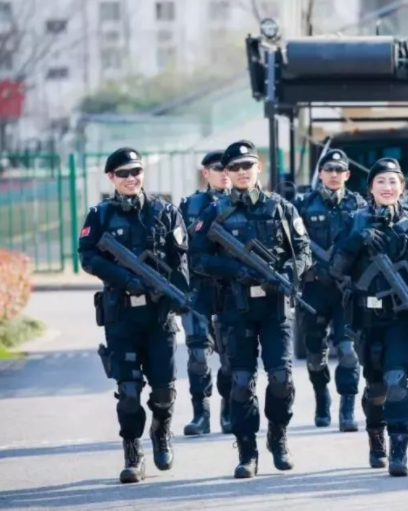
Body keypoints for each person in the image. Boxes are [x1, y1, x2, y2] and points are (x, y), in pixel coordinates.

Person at [190, 140, 312, 478]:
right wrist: (234, 270)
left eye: (248, 165)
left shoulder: (280, 208)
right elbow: (196, 258)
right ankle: (247, 451)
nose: (242, 172)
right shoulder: (214, 212)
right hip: (235, 307)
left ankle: (278, 436)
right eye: (235, 167)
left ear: (259, 167)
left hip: (275, 307)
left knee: (281, 379)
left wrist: (289, 272)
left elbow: (304, 250)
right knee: (242, 382)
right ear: (226, 173)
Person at [79, 147, 188, 483]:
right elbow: (88, 257)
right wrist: (125, 279)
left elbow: (181, 259)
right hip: (121, 315)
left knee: (163, 391)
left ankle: (161, 430)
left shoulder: (165, 212)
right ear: (111, 177)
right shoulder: (100, 215)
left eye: (136, 172)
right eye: (123, 173)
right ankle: (132, 451)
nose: (131, 178)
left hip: (158, 317)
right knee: (128, 391)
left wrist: (179, 295)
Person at [328, 158, 408, 477]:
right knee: (376, 387)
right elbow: (334, 268)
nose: (387, 188)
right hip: (366, 317)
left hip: (401, 318)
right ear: (370, 188)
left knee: (396, 381)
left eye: (393, 182)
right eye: (381, 182)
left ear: (402, 187)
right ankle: (376, 438)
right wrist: (357, 241)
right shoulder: (354, 221)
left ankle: (399, 447)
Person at [293, 149, 366, 431]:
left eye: (339, 170)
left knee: (348, 351)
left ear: (347, 174)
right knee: (315, 354)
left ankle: (347, 409)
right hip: (314, 290)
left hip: (346, 291)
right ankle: (321, 397)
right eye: (328, 170)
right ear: (320, 174)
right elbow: (291, 245)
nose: (334, 175)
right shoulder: (303, 205)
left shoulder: (359, 205)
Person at [178, 151, 233, 436]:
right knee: (198, 354)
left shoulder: (243, 204)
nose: (225, 173)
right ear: (206, 173)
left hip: (230, 288)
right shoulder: (190, 205)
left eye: (229, 168)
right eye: (218, 168)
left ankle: (229, 409)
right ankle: (201, 414)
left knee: (231, 356)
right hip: (197, 288)